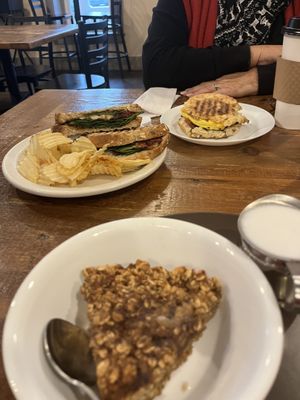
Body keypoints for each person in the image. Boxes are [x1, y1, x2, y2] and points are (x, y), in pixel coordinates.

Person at [142, 0, 300, 97]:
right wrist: (260, 53)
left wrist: (253, 80)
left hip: (283, 126)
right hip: (190, 122)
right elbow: (156, 68)